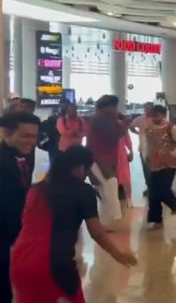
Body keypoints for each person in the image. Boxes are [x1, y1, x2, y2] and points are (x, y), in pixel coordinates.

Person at [10, 146, 137, 303]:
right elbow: (96, 233)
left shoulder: (36, 189)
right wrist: (118, 253)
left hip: (20, 259)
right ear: (82, 167)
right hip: (54, 263)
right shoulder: (83, 191)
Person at [0, 112, 39, 303]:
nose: (31, 142)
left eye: (34, 136)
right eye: (25, 136)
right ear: (7, 133)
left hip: (16, 233)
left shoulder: (27, 156)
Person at [86, 95, 130, 228]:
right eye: (114, 106)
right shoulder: (100, 118)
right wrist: (125, 124)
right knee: (110, 185)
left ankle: (106, 222)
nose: (116, 109)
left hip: (104, 158)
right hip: (98, 158)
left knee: (105, 189)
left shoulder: (105, 117)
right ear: (108, 107)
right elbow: (116, 134)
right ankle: (113, 218)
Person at [145, 104, 176, 229]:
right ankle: (157, 219)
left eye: (156, 115)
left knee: (163, 188)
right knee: (153, 192)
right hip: (154, 164)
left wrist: (174, 153)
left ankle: (173, 202)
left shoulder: (171, 128)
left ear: (162, 115)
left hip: (169, 164)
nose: (153, 117)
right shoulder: (149, 127)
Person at [129, 102, 155, 195]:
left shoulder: (156, 119)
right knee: (146, 169)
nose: (147, 110)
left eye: (149, 108)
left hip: (155, 149)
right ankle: (150, 187)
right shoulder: (140, 119)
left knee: (156, 169)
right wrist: (137, 133)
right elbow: (131, 126)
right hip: (143, 148)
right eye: (146, 108)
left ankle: (157, 188)